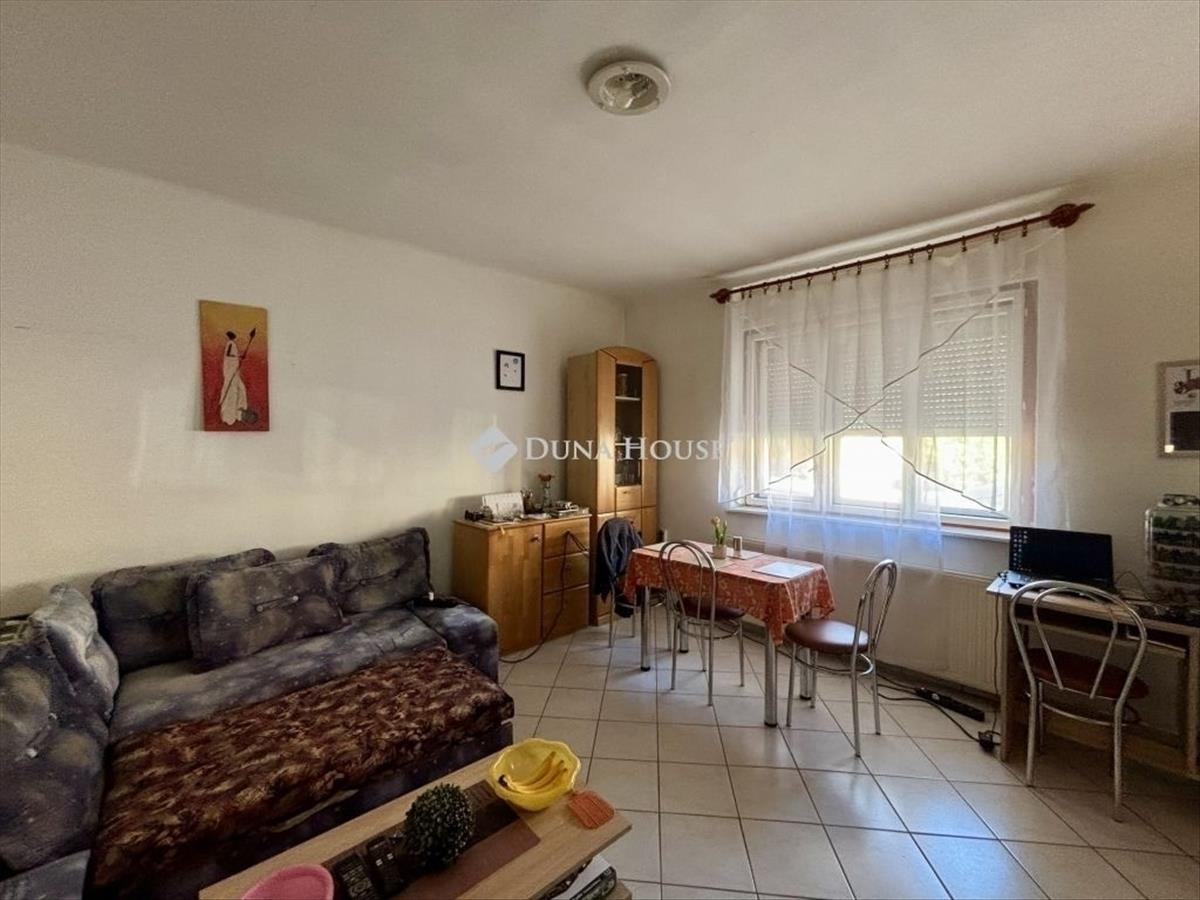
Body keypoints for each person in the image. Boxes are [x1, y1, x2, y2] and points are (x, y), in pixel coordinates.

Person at [219, 330, 248, 425]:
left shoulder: (232, 344)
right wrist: (239, 356)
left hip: (234, 371)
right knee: (234, 390)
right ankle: (230, 415)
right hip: (231, 371)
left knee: (241, 389)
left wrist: (239, 357)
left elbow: (231, 355)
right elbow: (228, 355)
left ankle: (238, 413)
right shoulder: (230, 343)